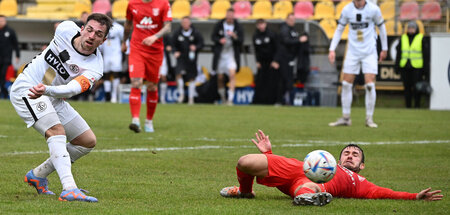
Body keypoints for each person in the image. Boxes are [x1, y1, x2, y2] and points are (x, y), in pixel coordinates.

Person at [10, 13, 113, 202]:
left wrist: (47, 88)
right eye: (89, 30)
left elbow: (72, 89)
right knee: (56, 131)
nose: (92, 36)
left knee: (87, 140)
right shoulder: (65, 28)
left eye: (98, 34)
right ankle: (69, 189)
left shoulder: (95, 67)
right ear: (81, 29)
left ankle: (38, 175)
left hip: (50, 94)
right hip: (27, 88)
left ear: (104, 40)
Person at [220, 130, 443, 206]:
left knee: (307, 189)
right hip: (299, 167)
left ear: (361, 166)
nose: (350, 155)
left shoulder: (359, 183)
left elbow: (384, 193)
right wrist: (268, 154)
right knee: (245, 162)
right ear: (337, 159)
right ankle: (245, 192)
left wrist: (414, 196)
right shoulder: (326, 163)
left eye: (355, 154)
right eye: (347, 152)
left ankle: (310, 198)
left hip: (309, 183)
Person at [328, 0, 388, 128]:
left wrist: (384, 48)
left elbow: (381, 28)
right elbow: (339, 29)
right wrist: (332, 49)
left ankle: (369, 119)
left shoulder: (373, 9)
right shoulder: (347, 10)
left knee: (370, 84)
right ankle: (345, 118)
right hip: (353, 52)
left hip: (369, 52)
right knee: (345, 84)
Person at [122, 0, 172, 133]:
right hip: (137, 48)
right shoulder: (132, 3)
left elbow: (168, 27)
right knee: (136, 82)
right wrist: (124, 41)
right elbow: (127, 24)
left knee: (152, 86)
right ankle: (135, 120)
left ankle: (149, 121)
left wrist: (154, 37)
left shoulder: (163, 3)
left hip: (155, 51)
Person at [211, 8, 244, 105]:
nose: (229, 17)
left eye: (231, 16)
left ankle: (230, 99)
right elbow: (213, 37)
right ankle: (223, 97)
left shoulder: (238, 27)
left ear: (233, 16)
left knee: (232, 75)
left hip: (231, 55)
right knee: (220, 78)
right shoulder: (219, 25)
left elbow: (241, 40)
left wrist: (234, 36)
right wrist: (219, 40)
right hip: (221, 56)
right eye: (228, 15)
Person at [395, 21, 429, 108]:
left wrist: (425, 69)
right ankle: (408, 106)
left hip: (417, 67)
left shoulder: (421, 38)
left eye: (412, 28)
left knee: (417, 87)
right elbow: (398, 54)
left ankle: (417, 106)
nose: (410, 30)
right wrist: (397, 66)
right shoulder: (403, 38)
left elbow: (425, 55)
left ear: (416, 29)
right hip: (405, 67)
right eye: (409, 28)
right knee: (407, 88)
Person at [172, 16, 204, 105]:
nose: (185, 24)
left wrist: (196, 47)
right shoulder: (177, 33)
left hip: (191, 59)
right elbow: (173, 44)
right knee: (178, 74)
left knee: (191, 78)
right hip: (181, 58)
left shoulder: (196, 33)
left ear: (190, 23)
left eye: (187, 22)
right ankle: (181, 96)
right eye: (183, 22)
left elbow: (201, 43)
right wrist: (175, 52)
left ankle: (191, 98)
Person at [275, 13, 301, 105]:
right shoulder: (284, 29)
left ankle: (286, 100)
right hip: (284, 59)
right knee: (285, 80)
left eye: (294, 20)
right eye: (291, 19)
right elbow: (286, 41)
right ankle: (281, 100)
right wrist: (299, 40)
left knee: (288, 79)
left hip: (290, 58)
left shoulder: (293, 30)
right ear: (287, 20)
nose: (292, 21)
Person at [99, 12, 124, 103]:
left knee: (116, 73)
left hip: (116, 54)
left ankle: (114, 95)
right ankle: (107, 95)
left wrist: (125, 53)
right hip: (106, 54)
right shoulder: (103, 28)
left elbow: (124, 40)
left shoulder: (119, 28)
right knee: (106, 74)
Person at [252, 18, 278, 105]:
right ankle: (259, 101)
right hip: (262, 63)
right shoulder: (255, 36)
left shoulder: (272, 34)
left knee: (271, 82)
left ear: (265, 24)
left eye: (262, 24)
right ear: (257, 26)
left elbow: (277, 48)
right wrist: (257, 61)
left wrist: (275, 60)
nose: (261, 26)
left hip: (271, 62)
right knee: (260, 82)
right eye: (259, 24)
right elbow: (256, 50)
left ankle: (272, 101)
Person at [0, 15, 20, 99]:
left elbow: (15, 44)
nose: (1, 22)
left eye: (2, 21)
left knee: (3, 76)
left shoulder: (10, 31)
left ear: (5, 21)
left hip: (6, 59)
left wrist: (17, 55)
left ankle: (4, 94)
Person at [159, 34, 174, 104]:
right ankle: (153, 98)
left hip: (162, 57)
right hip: (152, 56)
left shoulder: (166, 36)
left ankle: (162, 98)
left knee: (163, 77)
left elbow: (171, 46)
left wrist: (169, 47)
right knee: (152, 80)